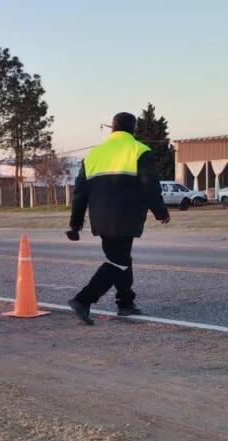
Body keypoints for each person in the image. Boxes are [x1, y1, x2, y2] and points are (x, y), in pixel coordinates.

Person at [66, 112, 170, 324]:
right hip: (126, 217)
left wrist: (75, 224)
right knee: (118, 262)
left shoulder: (94, 155)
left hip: (100, 220)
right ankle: (83, 300)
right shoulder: (139, 150)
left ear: (113, 128)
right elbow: (149, 187)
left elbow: (80, 193)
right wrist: (161, 212)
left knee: (120, 258)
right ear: (133, 129)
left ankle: (125, 303)